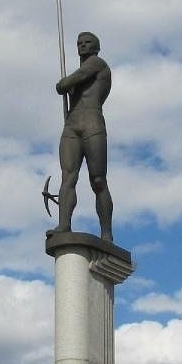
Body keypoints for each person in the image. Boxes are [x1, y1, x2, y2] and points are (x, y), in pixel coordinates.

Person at [54, 31, 114, 241]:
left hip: (92, 123)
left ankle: (106, 233)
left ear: (96, 46)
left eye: (87, 42)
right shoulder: (82, 71)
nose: (82, 45)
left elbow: (67, 83)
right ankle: (64, 224)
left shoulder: (97, 64)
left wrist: (63, 84)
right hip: (72, 125)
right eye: (79, 42)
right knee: (68, 176)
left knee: (98, 180)